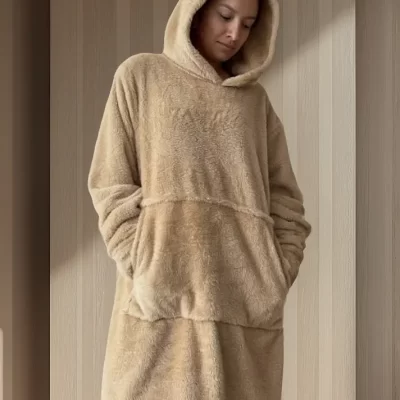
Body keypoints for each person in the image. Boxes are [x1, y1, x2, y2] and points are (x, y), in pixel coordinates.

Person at [87, 0, 312, 398]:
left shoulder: (255, 103)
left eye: (248, 24)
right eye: (225, 16)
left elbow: (286, 201)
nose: (235, 34)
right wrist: (143, 261)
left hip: (242, 314)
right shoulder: (141, 76)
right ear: (197, 9)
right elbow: (111, 182)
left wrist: (273, 276)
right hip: (158, 309)